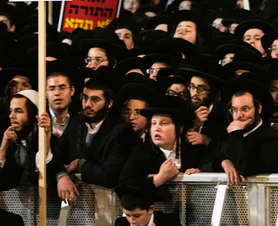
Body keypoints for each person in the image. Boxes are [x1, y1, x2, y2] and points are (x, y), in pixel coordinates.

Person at [53, 72, 134, 203]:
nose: (87, 104)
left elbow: (107, 177)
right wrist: (61, 176)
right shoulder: (75, 122)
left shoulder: (120, 131)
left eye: (95, 100)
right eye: (85, 98)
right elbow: (56, 156)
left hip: (108, 204)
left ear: (109, 104)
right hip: (77, 204)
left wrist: (80, 164)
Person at [118, 95, 203, 194]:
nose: (156, 128)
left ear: (179, 128)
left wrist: (199, 175)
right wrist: (159, 179)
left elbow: (209, 169)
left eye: (164, 123)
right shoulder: (141, 151)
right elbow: (124, 186)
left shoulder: (194, 149)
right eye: (154, 123)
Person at [211, 79, 274, 185]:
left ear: (258, 109)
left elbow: (247, 169)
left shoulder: (270, 137)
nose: (239, 115)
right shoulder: (224, 132)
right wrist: (224, 163)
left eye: (245, 109)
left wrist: (237, 135)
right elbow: (206, 161)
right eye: (234, 109)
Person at [0, 90, 50, 190]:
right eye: (11, 111)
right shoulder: (8, 140)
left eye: (18, 111)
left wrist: (47, 137)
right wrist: (3, 149)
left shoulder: (49, 140)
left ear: (33, 115)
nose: (11, 116)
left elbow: (42, 174)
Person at [114, 176, 182, 226]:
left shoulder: (170, 222)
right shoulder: (121, 223)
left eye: (137, 216)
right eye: (127, 215)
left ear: (151, 209)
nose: (132, 221)